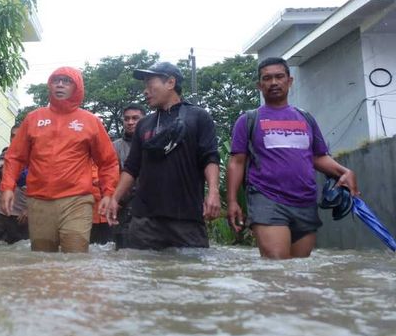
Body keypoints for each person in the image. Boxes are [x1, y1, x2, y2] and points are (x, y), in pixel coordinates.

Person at [226, 57, 359, 259]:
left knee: (299, 272)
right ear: (259, 85)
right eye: (267, 78)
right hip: (267, 200)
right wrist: (233, 201)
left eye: (279, 77)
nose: (273, 83)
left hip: (305, 201)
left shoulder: (306, 118)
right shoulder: (248, 120)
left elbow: (318, 157)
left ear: (290, 81)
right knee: (278, 267)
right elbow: (237, 163)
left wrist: (345, 172)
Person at [0, 67, 120, 253]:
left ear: (77, 87)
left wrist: (108, 193)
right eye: (56, 80)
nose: (60, 84)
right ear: (50, 85)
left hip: (77, 201)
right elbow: (14, 157)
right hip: (38, 201)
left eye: (66, 81)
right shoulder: (33, 118)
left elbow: (108, 162)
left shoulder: (90, 121)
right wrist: (7, 187)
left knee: (75, 258)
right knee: (42, 260)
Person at [104, 62, 221, 250]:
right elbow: (132, 168)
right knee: (141, 274)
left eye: (151, 84)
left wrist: (213, 191)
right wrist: (115, 199)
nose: (145, 91)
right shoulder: (145, 124)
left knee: (192, 275)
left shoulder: (198, 117)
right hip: (144, 222)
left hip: (186, 219)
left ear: (171, 83)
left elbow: (210, 157)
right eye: (145, 86)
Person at [0, 124, 29, 244]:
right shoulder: (3, 156)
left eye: (19, 136)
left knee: (19, 254)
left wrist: (30, 209)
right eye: (12, 136)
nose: (15, 139)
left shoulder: (36, 158)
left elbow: (43, 187)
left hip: (21, 215)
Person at [110, 103, 146, 248]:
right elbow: (108, 176)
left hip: (150, 208)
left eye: (135, 118)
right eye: (126, 119)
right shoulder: (114, 147)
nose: (130, 122)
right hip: (123, 207)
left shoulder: (155, 143)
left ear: (144, 120)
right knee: (122, 253)